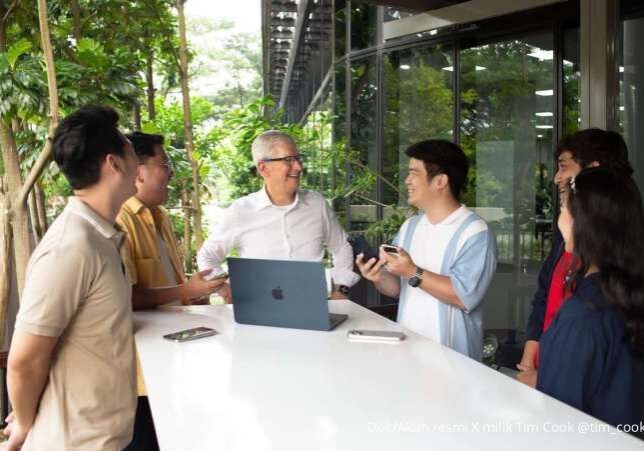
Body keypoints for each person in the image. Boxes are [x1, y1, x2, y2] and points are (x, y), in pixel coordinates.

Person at [4, 106, 139, 450]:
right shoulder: (71, 247)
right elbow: (24, 360)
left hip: (104, 435)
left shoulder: (102, 235)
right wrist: (23, 420)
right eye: (129, 147)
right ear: (115, 163)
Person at [117, 132, 226, 451]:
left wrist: (192, 294)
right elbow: (128, 297)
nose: (170, 172)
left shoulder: (160, 216)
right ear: (137, 170)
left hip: (172, 359)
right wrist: (185, 288)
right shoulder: (121, 220)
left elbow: (167, 285)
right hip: (138, 370)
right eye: (163, 163)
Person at [356, 139, 497, 360]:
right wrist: (377, 276)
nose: (407, 180)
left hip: (453, 359)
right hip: (408, 351)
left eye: (414, 173)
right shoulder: (409, 227)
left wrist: (412, 271)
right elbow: (397, 288)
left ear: (440, 181)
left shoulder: (475, 232)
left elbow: (463, 296)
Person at [518, 128, 634, 381]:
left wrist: (546, 379)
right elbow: (545, 293)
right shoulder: (568, 240)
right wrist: (531, 354)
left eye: (564, 167)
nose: (557, 177)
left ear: (593, 168)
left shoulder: (589, 310)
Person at [533, 168, 644, 427]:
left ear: (583, 223)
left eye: (563, 208)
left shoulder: (582, 316)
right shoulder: (626, 296)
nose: (560, 219)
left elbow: (558, 419)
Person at [197, 130, 359, 300]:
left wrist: (342, 288)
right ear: (263, 168)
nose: (298, 167)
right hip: (258, 312)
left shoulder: (317, 204)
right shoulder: (240, 211)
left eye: (298, 158)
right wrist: (225, 289)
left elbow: (342, 246)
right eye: (289, 160)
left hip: (311, 307)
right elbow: (208, 256)